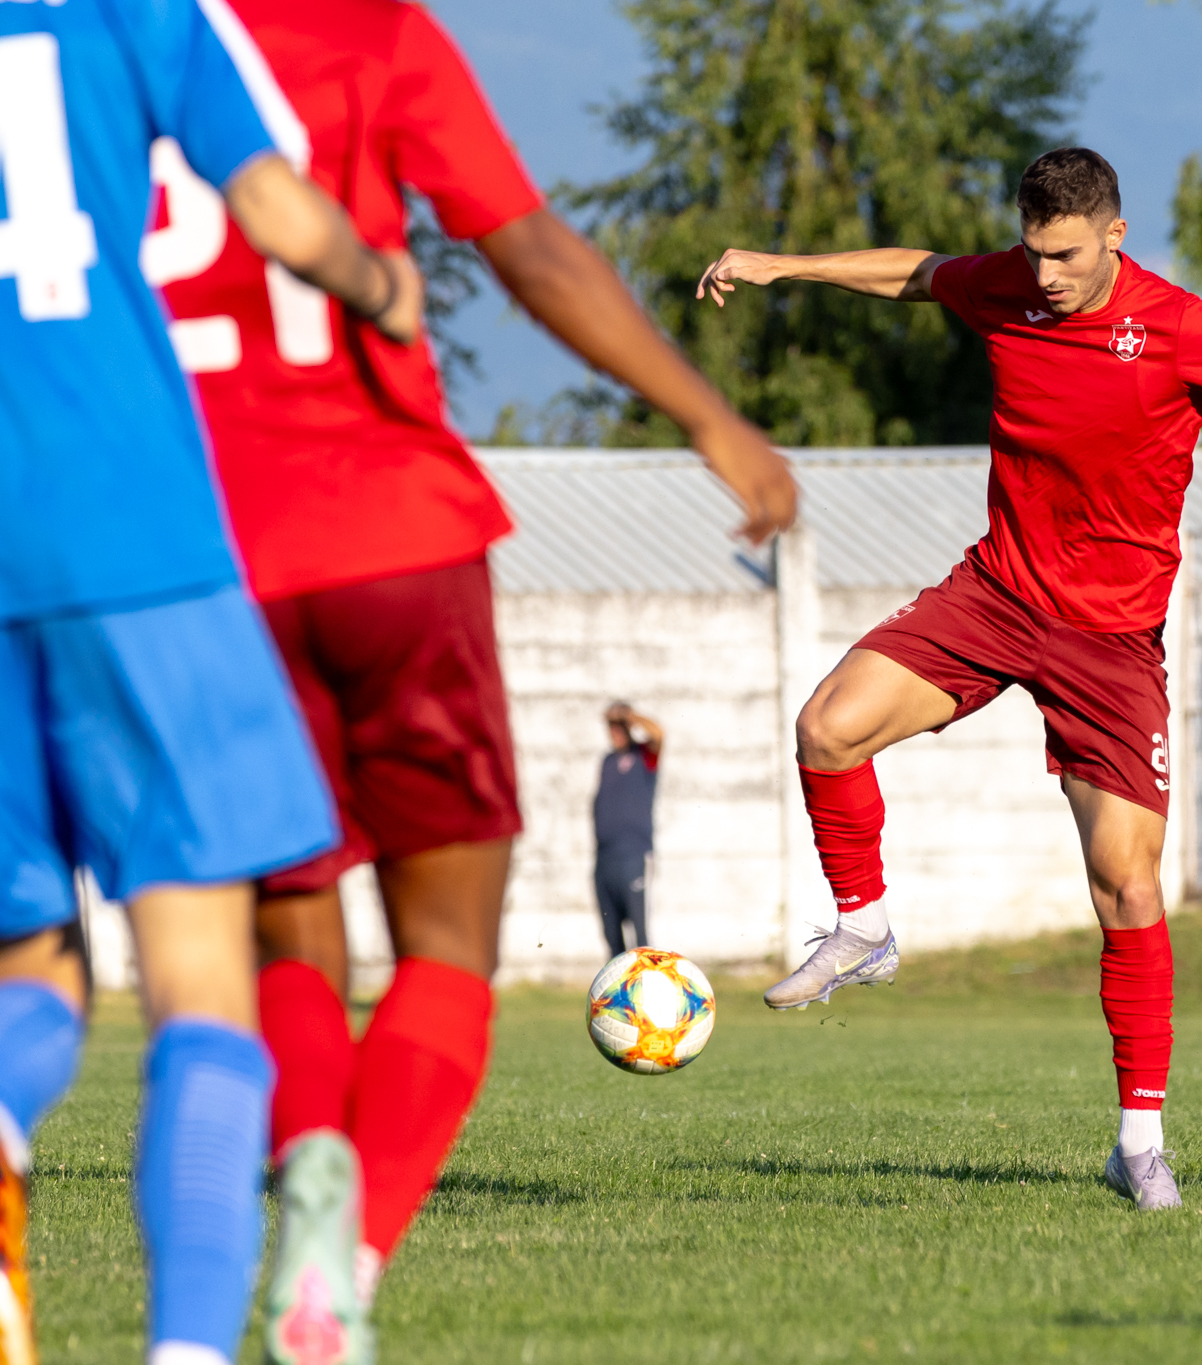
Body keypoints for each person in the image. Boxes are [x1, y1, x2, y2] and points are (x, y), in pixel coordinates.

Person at [148, 1, 797, 1357]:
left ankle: (308, 1154)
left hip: (201, 555)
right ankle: (346, 1267)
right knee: (446, 947)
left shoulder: (104, 42)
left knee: (285, 926)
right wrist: (705, 415)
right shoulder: (372, 33)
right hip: (394, 538)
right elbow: (530, 248)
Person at [696, 147, 1202, 1211]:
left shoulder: (1180, 326)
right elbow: (916, 273)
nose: (1044, 276)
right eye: (1033, 252)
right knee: (827, 727)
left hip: (1110, 641)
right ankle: (863, 926)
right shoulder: (1009, 284)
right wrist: (782, 265)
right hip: (996, 595)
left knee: (1126, 887)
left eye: (1065, 256)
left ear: (1114, 236)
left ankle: (1139, 1142)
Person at [0, 0, 424, 1359]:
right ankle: (186, 1349)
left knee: (30, 965)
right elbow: (277, 210)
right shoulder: (139, 13)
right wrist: (382, 285)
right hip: (131, 537)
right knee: (199, 975)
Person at [594, 703, 665, 958]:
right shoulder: (607, 761)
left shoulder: (643, 756)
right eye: (611, 726)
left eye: (620, 726)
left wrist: (629, 716)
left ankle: (645, 982)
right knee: (612, 936)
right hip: (605, 859)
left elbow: (658, 734)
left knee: (640, 936)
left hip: (633, 856)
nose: (615, 731)